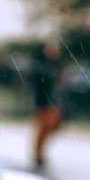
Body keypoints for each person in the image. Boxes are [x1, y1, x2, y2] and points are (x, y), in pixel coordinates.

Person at [30, 38, 66, 169]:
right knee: (44, 128)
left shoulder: (56, 65)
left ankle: (39, 153)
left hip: (54, 102)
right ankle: (38, 154)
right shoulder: (42, 66)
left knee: (52, 126)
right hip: (45, 102)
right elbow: (39, 85)